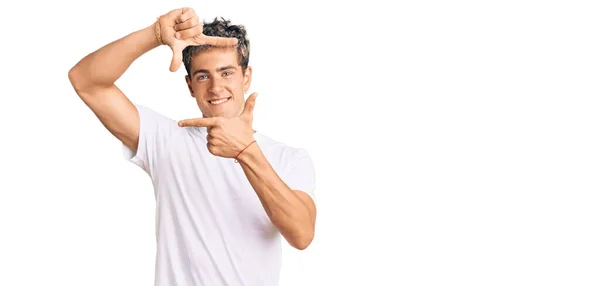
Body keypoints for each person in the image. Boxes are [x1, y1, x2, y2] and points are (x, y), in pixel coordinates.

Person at [68, 7, 317, 286]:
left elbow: (302, 235)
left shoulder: (289, 158)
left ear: (246, 77)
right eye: (202, 76)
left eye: (226, 73)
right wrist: (155, 35)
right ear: (189, 85)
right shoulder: (165, 140)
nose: (215, 87)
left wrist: (246, 150)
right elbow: (86, 82)